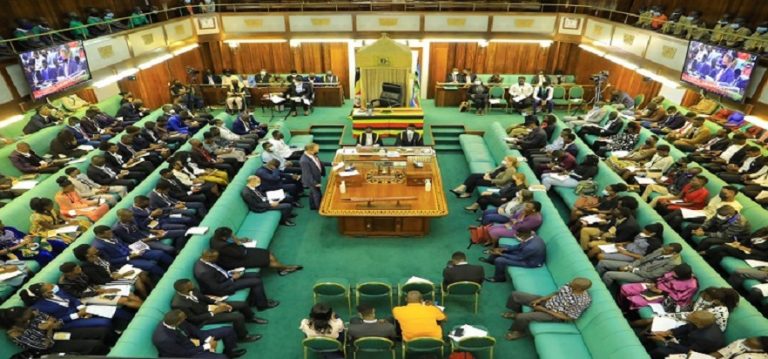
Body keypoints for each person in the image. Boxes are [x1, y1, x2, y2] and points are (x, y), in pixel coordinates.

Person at [171, 279, 263, 343]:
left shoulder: (192, 289)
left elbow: (204, 298)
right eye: (190, 284)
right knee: (237, 316)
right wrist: (214, 312)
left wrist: (217, 302)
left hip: (210, 307)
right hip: (203, 318)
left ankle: (250, 318)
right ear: (184, 289)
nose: (193, 284)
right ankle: (243, 337)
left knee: (241, 304)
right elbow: (193, 319)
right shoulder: (178, 304)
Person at [503, 278, 592, 340]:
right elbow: (556, 293)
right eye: (572, 282)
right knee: (515, 295)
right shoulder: (570, 285)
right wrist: (540, 299)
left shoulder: (582, 301)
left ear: (579, 288)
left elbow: (568, 317)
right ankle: (516, 312)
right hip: (548, 302)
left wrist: (543, 309)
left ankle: (519, 331)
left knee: (522, 317)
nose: (570, 284)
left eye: (573, 284)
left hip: (555, 315)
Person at [0, 306, 110, 356]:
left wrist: (54, 324)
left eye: (30, 316)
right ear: (16, 321)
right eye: (26, 319)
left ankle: (113, 344)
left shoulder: (32, 314)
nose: (30, 318)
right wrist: (49, 329)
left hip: (56, 334)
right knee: (94, 345)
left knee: (101, 331)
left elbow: (55, 321)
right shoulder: (15, 334)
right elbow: (44, 346)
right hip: (49, 347)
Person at [194, 249, 279, 310]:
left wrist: (231, 273)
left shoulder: (204, 260)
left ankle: (255, 300)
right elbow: (216, 288)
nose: (217, 258)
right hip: (224, 287)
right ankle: (262, 305)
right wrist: (232, 279)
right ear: (209, 258)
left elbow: (219, 271)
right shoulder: (204, 272)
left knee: (255, 275)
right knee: (256, 282)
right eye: (216, 257)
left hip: (227, 277)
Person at [152, 309, 246, 359]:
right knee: (222, 358)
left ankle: (230, 352)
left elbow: (194, 330)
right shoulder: (164, 339)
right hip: (184, 354)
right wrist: (207, 346)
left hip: (191, 340)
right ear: (177, 323)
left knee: (227, 330)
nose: (185, 319)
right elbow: (183, 353)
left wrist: (207, 339)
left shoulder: (173, 318)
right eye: (183, 319)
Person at [19, 283, 113, 331]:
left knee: (112, 311)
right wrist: (77, 314)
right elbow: (55, 320)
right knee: (104, 322)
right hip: (68, 321)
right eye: (48, 291)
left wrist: (81, 308)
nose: (52, 291)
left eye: (51, 288)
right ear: (41, 295)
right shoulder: (39, 307)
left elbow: (72, 299)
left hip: (81, 310)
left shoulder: (55, 291)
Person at [72, 244, 153, 299]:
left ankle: (152, 289)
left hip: (114, 274)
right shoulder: (87, 268)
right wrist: (121, 275)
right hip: (107, 282)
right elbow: (101, 281)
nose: (93, 247)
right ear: (87, 255)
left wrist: (115, 272)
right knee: (137, 279)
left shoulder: (99, 255)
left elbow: (110, 265)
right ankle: (146, 298)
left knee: (142, 273)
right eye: (90, 248)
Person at [210, 227, 301, 275]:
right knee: (268, 260)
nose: (232, 236)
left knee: (266, 253)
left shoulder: (216, 238)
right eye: (230, 235)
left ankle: (282, 269)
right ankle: (286, 268)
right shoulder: (222, 246)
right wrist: (238, 242)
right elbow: (240, 253)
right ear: (223, 237)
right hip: (234, 261)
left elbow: (233, 245)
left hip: (237, 253)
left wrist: (240, 240)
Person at [92, 225, 172, 279]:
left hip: (133, 251)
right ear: (100, 234)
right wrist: (129, 257)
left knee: (159, 253)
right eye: (108, 233)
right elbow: (110, 261)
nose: (111, 234)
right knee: (151, 265)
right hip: (124, 260)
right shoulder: (99, 246)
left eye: (111, 232)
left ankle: (173, 267)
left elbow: (123, 243)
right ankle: (167, 277)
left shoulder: (111, 235)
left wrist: (135, 247)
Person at [57, 262, 143, 309]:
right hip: (86, 297)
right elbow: (78, 295)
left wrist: (95, 287)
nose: (80, 269)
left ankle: (148, 309)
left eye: (78, 267)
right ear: (69, 273)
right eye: (77, 269)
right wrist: (99, 291)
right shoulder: (65, 283)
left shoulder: (80, 273)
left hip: (95, 289)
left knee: (130, 294)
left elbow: (88, 281)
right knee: (124, 299)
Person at [597, 243, 683, 287]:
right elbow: (644, 259)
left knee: (608, 274)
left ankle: (603, 289)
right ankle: (596, 279)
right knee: (603, 262)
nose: (663, 250)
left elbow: (653, 275)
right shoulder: (661, 250)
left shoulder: (673, 263)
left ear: (674, 253)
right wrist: (630, 266)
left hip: (643, 276)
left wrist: (632, 270)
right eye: (664, 248)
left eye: (666, 250)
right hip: (634, 266)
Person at [619, 263, 697, 311]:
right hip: (654, 287)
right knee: (625, 288)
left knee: (636, 300)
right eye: (674, 272)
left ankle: (626, 312)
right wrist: (654, 283)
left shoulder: (692, 285)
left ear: (683, 276)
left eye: (676, 274)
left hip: (664, 296)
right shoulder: (676, 271)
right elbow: (662, 278)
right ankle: (620, 304)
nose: (673, 274)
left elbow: (679, 298)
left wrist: (660, 292)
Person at [648, 310, 724, 359]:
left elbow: (689, 351)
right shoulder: (703, 322)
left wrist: (665, 341)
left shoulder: (707, 338)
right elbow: (687, 326)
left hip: (694, 353)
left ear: (699, 323)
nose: (688, 317)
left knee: (659, 351)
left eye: (691, 319)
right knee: (651, 332)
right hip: (688, 339)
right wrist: (669, 332)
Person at [480, 228, 546, 282]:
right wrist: (504, 249)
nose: (517, 239)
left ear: (523, 237)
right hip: (524, 253)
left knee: (500, 260)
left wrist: (501, 254)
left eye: (518, 238)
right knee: (502, 248)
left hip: (529, 262)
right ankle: (491, 261)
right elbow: (518, 246)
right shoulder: (532, 236)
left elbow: (519, 258)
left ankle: (499, 278)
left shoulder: (531, 247)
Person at [112, 208, 180, 255]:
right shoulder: (118, 229)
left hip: (148, 235)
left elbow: (142, 228)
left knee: (180, 232)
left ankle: (179, 248)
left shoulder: (132, 219)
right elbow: (134, 241)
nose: (131, 218)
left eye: (131, 216)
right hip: (144, 241)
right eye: (129, 217)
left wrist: (156, 231)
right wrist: (154, 237)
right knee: (170, 249)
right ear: (121, 217)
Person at [450, 156, 518, 199]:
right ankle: (462, 188)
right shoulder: (504, 165)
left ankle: (467, 193)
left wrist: (490, 179)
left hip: (494, 182)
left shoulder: (511, 170)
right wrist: (487, 173)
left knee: (476, 181)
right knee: (473, 175)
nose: (504, 161)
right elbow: (494, 170)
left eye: (506, 160)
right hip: (490, 176)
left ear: (510, 162)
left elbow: (503, 181)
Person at [590, 223, 663, 261]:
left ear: (653, 234)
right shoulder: (642, 234)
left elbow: (643, 257)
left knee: (600, 256)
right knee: (596, 249)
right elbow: (632, 242)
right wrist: (623, 244)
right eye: (644, 229)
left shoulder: (655, 244)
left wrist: (625, 253)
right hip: (624, 248)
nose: (643, 231)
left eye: (646, 231)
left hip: (632, 256)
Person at [300, 143, 329, 210]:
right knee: (317, 194)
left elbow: (319, 163)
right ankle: (320, 208)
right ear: (310, 150)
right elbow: (307, 174)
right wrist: (315, 183)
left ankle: (313, 206)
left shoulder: (313, 155)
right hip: (312, 180)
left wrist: (331, 163)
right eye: (316, 150)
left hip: (316, 177)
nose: (318, 151)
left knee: (312, 192)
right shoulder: (304, 161)